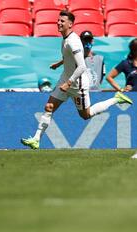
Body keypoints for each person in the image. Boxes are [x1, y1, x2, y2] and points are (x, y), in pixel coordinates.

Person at [21, 10, 133, 150]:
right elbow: (70, 58)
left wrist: (69, 83)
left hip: (77, 83)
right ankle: (36, 139)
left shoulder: (73, 41)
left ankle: (116, 98)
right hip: (66, 79)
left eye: (62, 21)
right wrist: (59, 63)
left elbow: (82, 66)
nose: (59, 23)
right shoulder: (66, 39)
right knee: (49, 107)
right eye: (58, 20)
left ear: (70, 24)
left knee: (86, 115)